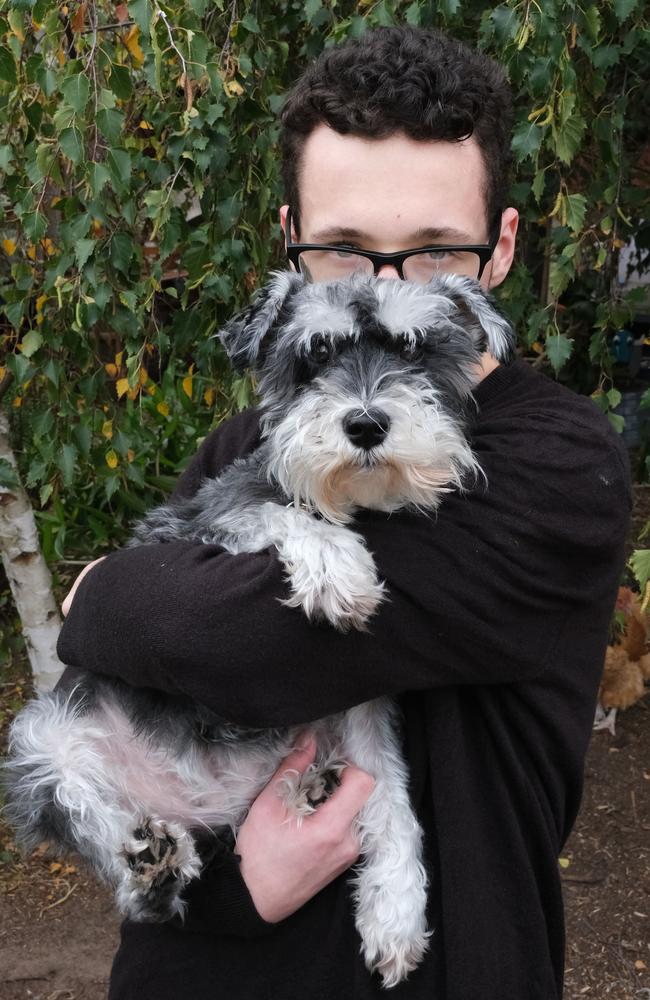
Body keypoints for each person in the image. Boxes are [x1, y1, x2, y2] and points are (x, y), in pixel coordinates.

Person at [57, 25, 630, 1000]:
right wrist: (233, 889)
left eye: (434, 252)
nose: (384, 296)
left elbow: (220, 636)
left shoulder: (555, 466)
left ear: (497, 250)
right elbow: (115, 736)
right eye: (344, 251)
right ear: (292, 244)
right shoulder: (250, 442)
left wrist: (97, 591)